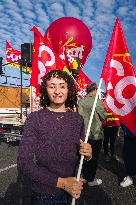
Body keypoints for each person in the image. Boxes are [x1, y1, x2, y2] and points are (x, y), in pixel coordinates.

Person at [17, 70, 92, 205]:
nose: (57, 91)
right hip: (45, 195)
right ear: (46, 90)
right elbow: (23, 164)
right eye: (52, 86)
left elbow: (81, 157)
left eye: (62, 86)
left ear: (68, 89)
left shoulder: (78, 119)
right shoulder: (35, 119)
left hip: (75, 193)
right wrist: (63, 183)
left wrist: (87, 155)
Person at [78, 82, 106, 186]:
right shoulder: (97, 101)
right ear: (94, 90)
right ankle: (90, 179)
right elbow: (104, 116)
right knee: (93, 157)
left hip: (84, 133)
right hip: (96, 134)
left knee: (84, 155)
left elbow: (79, 117)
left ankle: (83, 175)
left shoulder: (81, 102)